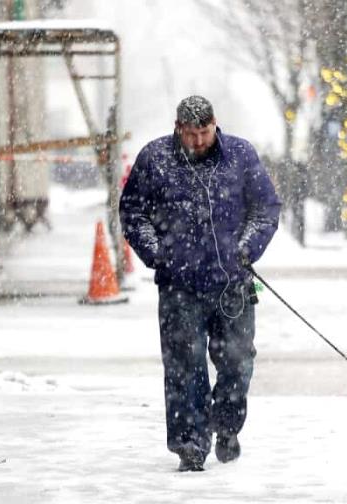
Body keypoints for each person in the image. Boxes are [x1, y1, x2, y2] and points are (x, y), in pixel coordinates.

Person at [119, 95, 281, 472]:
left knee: (238, 361)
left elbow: (266, 208)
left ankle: (226, 425)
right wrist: (157, 253)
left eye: (204, 133)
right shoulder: (154, 158)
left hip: (233, 283)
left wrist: (247, 248)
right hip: (179, 286)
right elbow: (133, 212)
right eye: (190, 134)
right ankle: (190, 445)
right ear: (178, 128)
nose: (197, 141)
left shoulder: (240, 155)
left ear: (215, 125)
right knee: (184, 367)